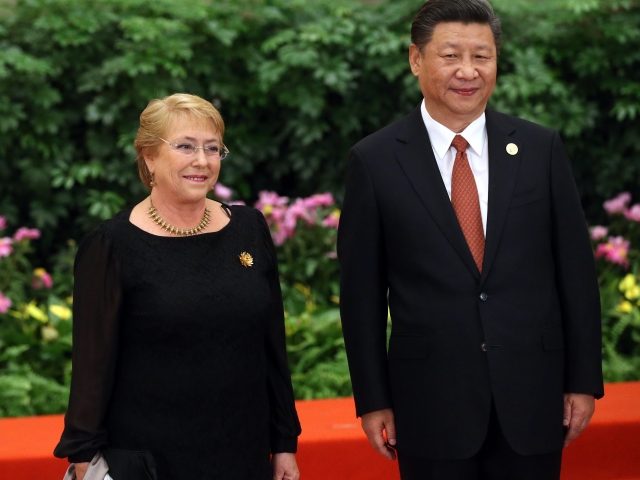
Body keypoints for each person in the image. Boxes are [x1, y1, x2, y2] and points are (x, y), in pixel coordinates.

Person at [337, 1, 603, 479]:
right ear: (416, 59)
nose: (468, 71)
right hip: (429, 403)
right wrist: (373, 399)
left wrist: (583, 381)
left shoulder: (539, 150)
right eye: (451, 56)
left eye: (482, 56)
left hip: (533, 396)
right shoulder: (375, 161)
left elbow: (576, 275)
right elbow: (362, 296)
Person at [54, 93, 301, 480]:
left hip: (242, 452)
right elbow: (91, 366)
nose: (201, 161)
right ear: (149, 156)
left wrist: (285, 443)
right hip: (147, 460)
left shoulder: (249, 229)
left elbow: (272, 346)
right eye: (185, 146)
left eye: (213, 148)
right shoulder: (112, 245)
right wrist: (85, 457)